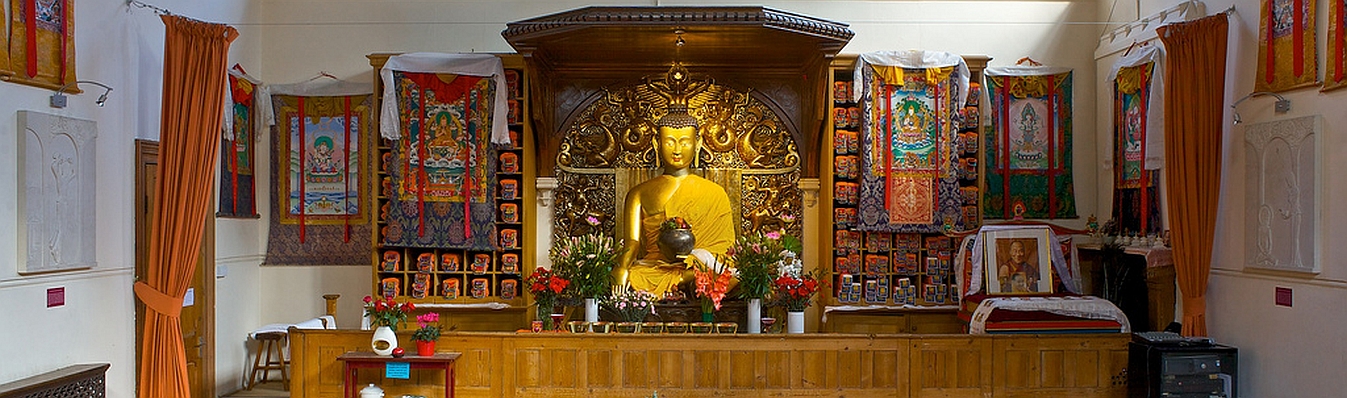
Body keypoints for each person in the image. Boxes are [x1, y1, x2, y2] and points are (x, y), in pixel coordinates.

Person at [611, 104, 736, 297]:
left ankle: (685, 283)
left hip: (694, 268)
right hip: (654, 268)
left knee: (725, 278)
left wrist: (695, 261)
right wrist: (622, 267)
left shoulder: (715, 193)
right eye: (670, 142)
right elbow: (633, 242)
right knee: (628, 277)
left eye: (684, 142)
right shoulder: (639, 192)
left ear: (698, 143)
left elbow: (724, 250)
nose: (677, 150)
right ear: (657, 143)